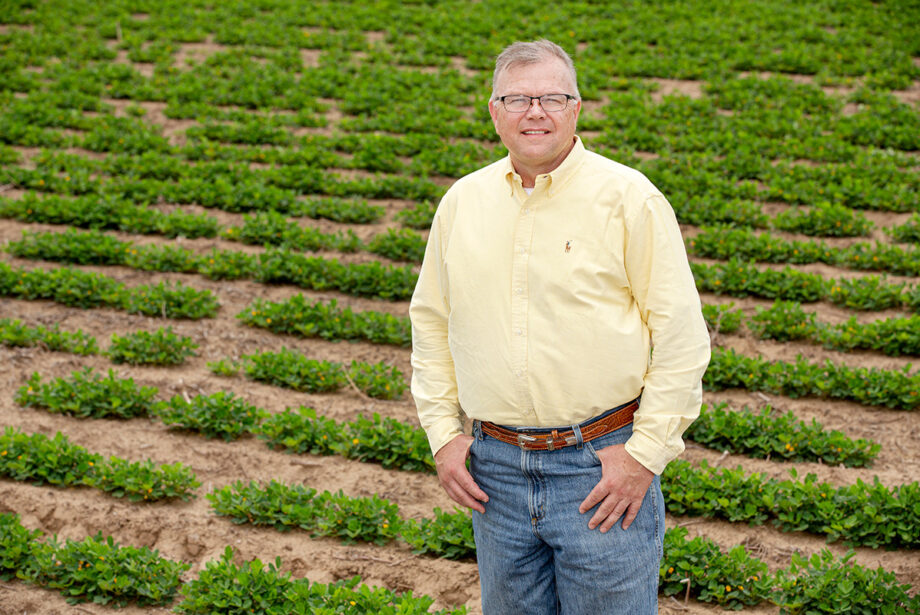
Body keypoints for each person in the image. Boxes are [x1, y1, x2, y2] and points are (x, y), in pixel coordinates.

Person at [409, 39, 711, 615]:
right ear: (493, 111)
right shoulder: (462, 202)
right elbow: (432, 323)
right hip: (494, 468)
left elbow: (680, 338)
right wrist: (443, 435)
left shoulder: (629, 198)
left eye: (552, 97)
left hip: (599, 467)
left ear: (577, 108)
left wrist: (644, 456)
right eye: (517, 99)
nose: (535, 112)